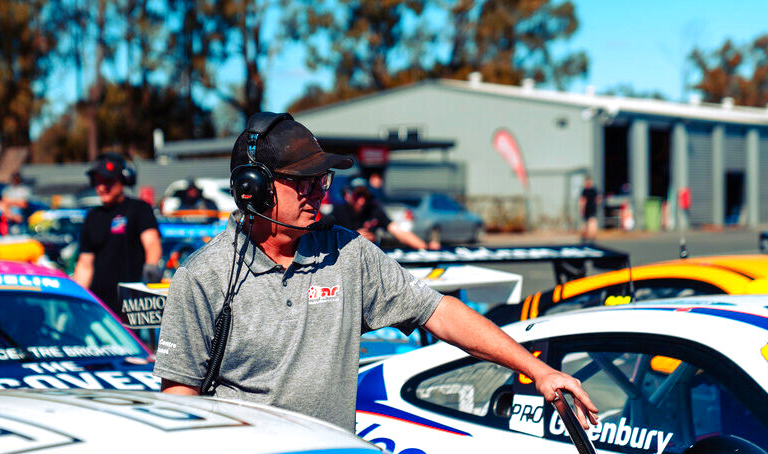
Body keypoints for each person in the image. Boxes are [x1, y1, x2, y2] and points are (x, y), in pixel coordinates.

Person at [153, 112, 598, 432]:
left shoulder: (348, 253)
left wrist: (537, 369)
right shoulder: (203, 278)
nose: (316, 194)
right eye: (301, 182)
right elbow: (179, 401)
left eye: (321, 181)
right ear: (254, 190)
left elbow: (439, 312)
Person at [72, 152, 163, 312]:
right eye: (97, 182)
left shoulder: (139, 209)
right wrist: (77, 300)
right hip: (100, 308)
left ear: (124, 180)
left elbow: (152, 243)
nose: (101, 187)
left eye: (108, 182)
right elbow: (85, 264)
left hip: (133, 307)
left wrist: (151, 270)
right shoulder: (92, 216)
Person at [331, 177, 438, 250]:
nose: (362, 201)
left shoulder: (374, 209)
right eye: (357, 195)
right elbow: (326, 240)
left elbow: (398, 231)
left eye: (365, 195)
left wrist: (425, 247)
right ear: (347, 195)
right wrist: (352, 237)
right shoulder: (338, 211)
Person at [578, 176, 599, 243]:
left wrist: (596, 204)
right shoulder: (584, 190)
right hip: (586, 209)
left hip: (592, 208)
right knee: (585, 224)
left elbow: (598, 198)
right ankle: (584, 237)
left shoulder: (594, 190)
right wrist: (581, 209)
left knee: (592, 223)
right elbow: (582, 200)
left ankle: (592, 237)